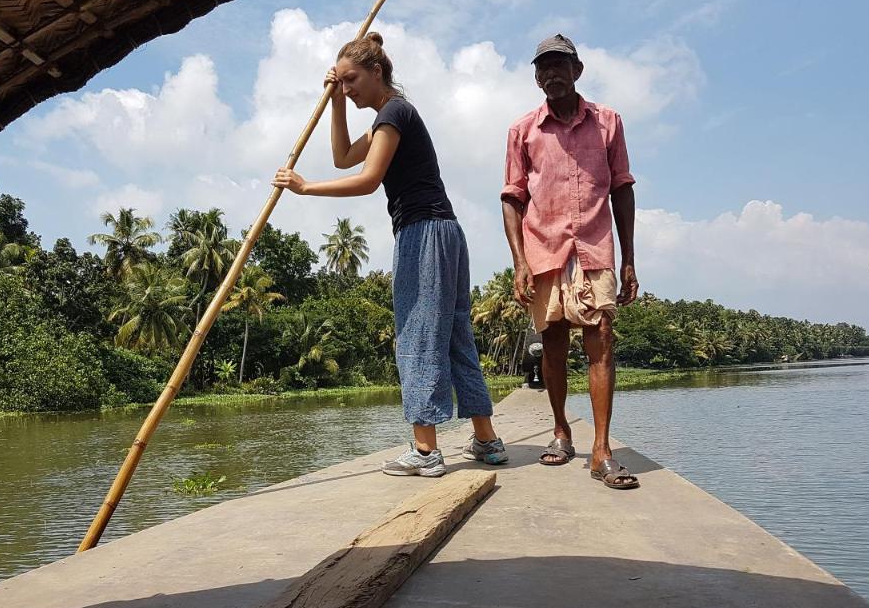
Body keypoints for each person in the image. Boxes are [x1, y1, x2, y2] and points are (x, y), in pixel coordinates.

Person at [273, 32, 506, 476]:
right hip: (445, 232)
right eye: (340, 83)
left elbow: (366, 178)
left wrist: (305, 188)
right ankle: (486, 440)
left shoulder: (394, 113)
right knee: (456, 338)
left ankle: (425, 452)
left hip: (423, 233)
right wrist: (336, 102)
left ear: (377, 72)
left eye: (352, 81)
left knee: (416, 336)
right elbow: (343, 157)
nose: (347, 89)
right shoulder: (388, 117)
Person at [500, 34, 641, 489]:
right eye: (542, 68)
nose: (551, 75)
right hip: (544, 246)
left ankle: (601, 450)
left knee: (601, 334)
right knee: (554, 337)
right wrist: (519, 261)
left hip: (595, 244)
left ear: (577, 70)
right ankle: (561, 430)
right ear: (536, 77)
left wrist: (630, 260)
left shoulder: (608, 122)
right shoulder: (523, 130)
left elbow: (622, 188)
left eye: (559, 65)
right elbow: (512, 198)